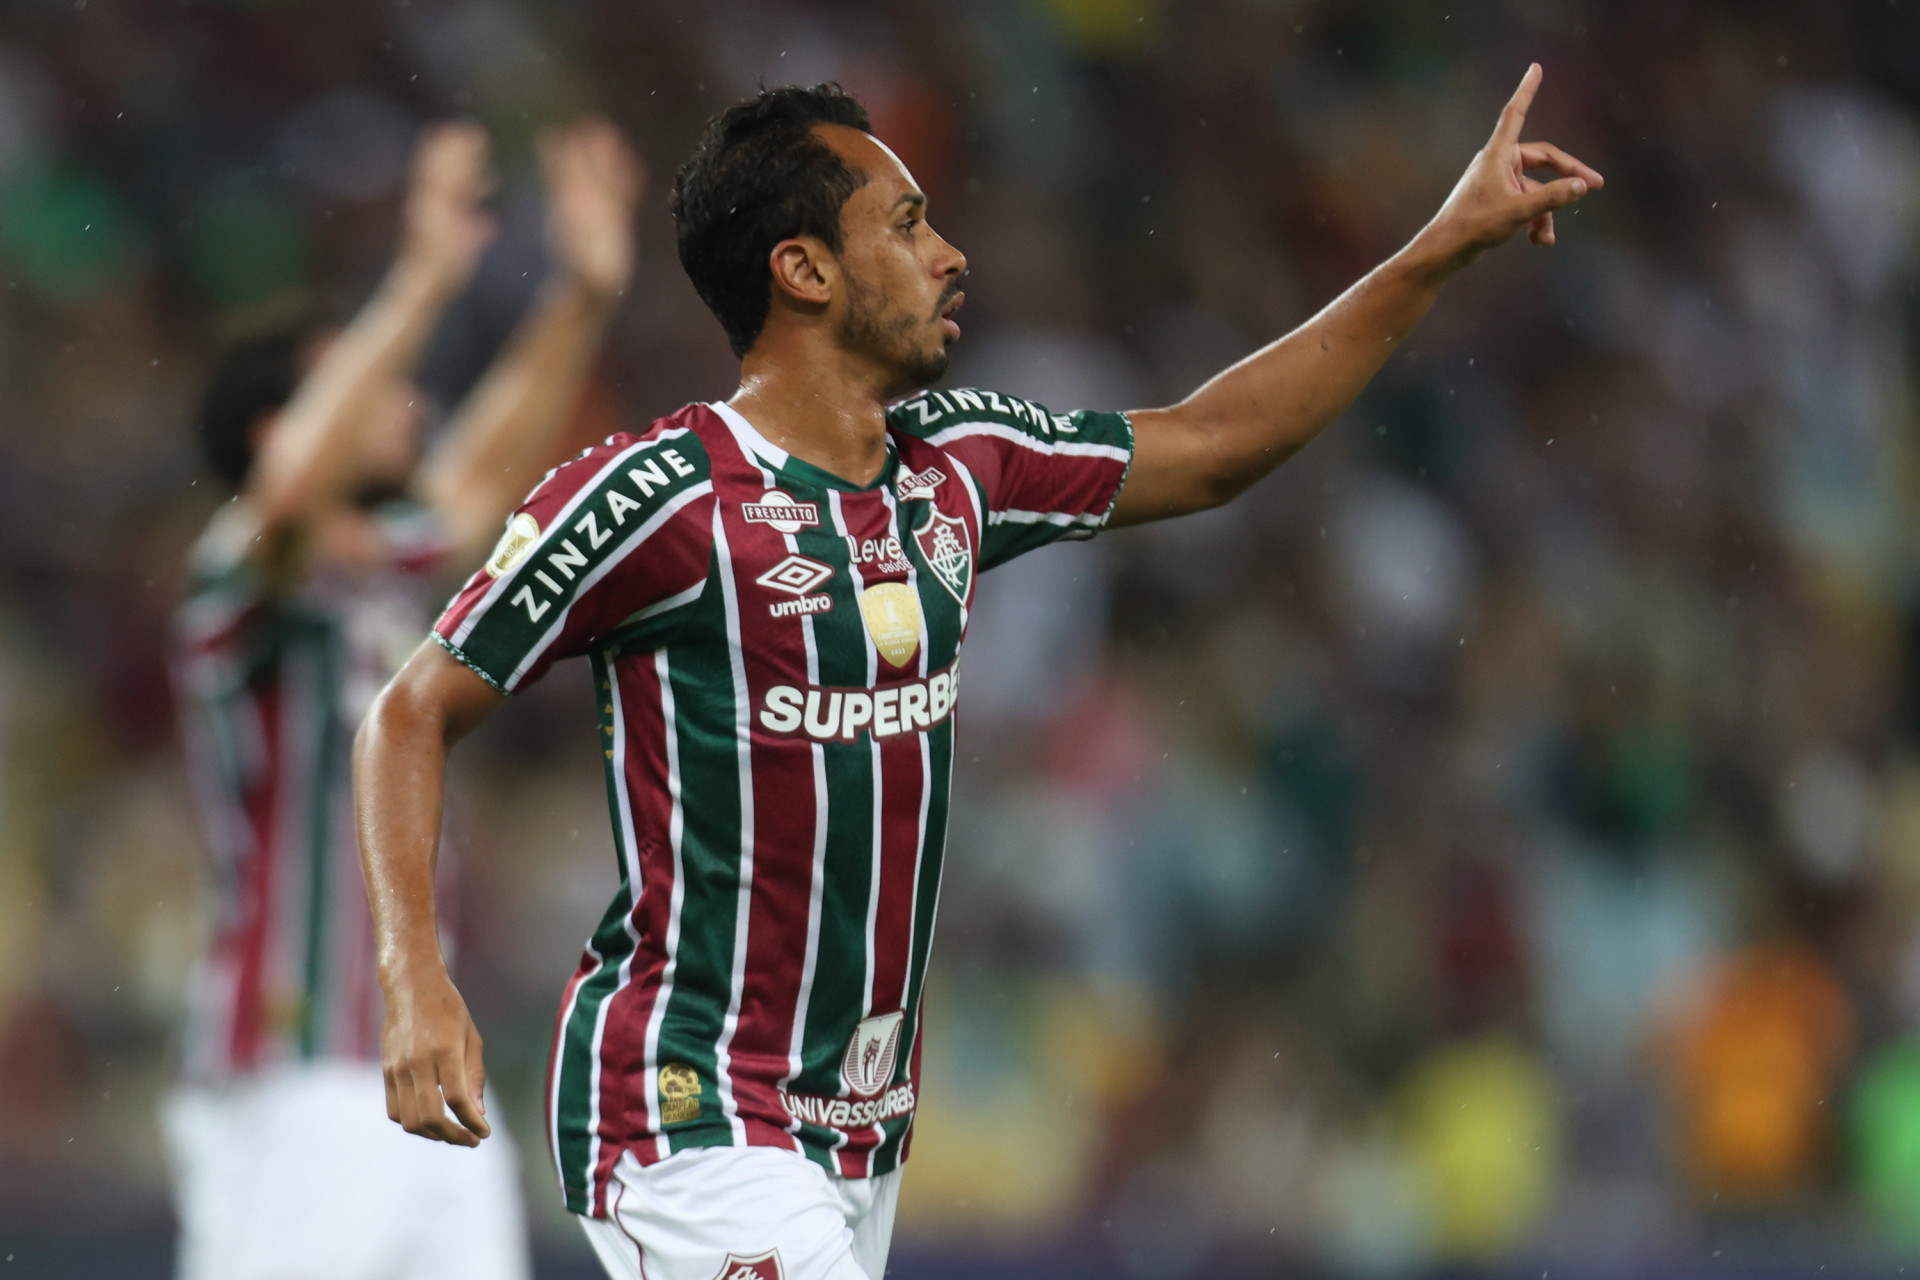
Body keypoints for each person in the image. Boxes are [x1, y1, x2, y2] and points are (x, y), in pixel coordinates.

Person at [354, 69, 1601, 1280]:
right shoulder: (656, 499)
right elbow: (411, 707)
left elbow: (1218, 445)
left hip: (861, 1124)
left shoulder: (959, 465)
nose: (950, 253)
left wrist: (1441, 245)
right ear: (804, 271)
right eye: (906, 224)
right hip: (686, 1108)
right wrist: (416, 979)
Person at [169, 114, 642, 1280]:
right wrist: (423, 281)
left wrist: (581, 296)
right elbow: (285, 499)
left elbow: (483, 479)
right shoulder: (236, 577)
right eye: (366, 384)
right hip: (291, 1068)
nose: (411, 401)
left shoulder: (385, 569)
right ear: (287, 426)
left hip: (419, 1059)